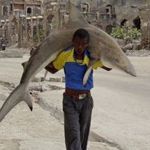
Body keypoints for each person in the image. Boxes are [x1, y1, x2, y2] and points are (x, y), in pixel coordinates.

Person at [45, 28, 112, 150]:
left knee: (82, 136)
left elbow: (109, 67)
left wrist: (103, 52)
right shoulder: (66, 55)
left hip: (86, 101)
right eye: (77, 43)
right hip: (70, 101)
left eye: (83, 44)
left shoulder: (91, 57)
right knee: (73, 135)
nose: (80, 47)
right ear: (73, 42)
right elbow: (54, 69)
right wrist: (41, 60)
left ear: (87, 44)